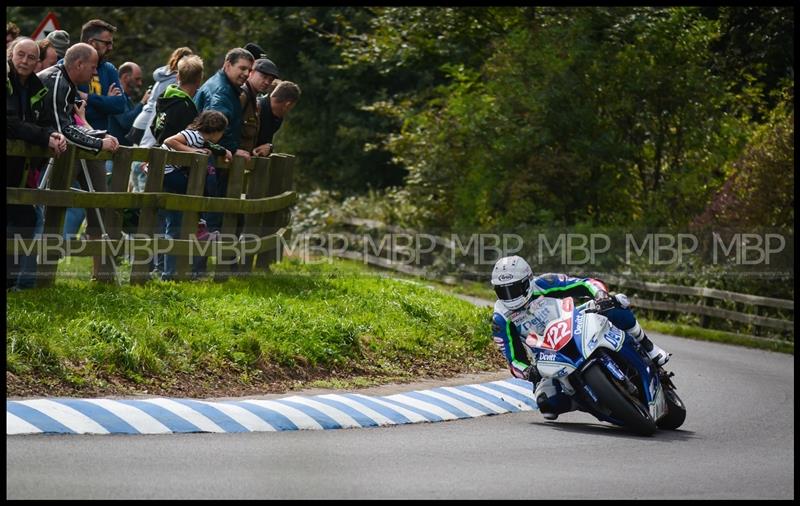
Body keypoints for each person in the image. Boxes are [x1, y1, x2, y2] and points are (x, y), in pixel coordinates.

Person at [489, 255, 670, 420]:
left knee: (616, 304)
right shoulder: (500, 318)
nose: (510, 297)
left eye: (514, 289)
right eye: (503, 291)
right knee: (548, 405)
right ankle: (586, 401)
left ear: (528, 281)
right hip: (547, 354)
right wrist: (529, 371)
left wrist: (600, 295)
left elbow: (586, 283)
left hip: (575, 324)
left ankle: (649, 348)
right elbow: (513, 360)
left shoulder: (544, 283)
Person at [38, 42, 120, 281]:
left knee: (97, 199)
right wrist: (97, 143)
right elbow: (61, 128)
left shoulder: (68, 83)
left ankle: (101, 274)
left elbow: (72, 123)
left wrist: (98, 134)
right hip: (47, 154)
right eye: (92, 67)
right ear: (79, 64)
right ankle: (40, 274)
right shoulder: (56, 82)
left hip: (66, 148)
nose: (95, 73)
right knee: (48, 207)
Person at [6, 37, 67, 289]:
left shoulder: (35, 86)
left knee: (25, 221)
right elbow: (10, 123)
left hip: (21, 170)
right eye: (21, 54)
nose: (25, 61)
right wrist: (44, 136)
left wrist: (53, 134)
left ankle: (10, 283)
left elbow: (41, 120)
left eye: (32, 57)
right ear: (11, 54)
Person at [158, 110, 231, 281]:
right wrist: (191, 151)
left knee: (180, 217)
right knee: (195, 195)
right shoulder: (194, 136)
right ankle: (200, 224)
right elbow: (169, 141)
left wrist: (223, 151)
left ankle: (199, 223)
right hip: (166, 174)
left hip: (168, 174)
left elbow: (212, 147)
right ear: (215, 131)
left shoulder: (201, 138)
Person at [128, 46, 193, 147]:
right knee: (141, 159)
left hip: (140, 122)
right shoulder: (174, 80)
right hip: (147, 125)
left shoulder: (164, 75)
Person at [238, 58, 279, 155]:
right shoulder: (242, 96)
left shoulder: (255, 102)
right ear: (251, 73)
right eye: (264, 76)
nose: (267, 82)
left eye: (270, 80)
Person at [252, 80, 301, 157]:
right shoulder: (255, 108)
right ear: (287, 104)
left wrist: (269, 147)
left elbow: (266, 143)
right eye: (291, 107)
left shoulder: (277, 117)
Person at [107, 61, 150, 147]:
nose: (140, 83)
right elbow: (126, 122)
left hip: (121, 152)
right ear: (126, 77)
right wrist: (142, 102)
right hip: (114, 153)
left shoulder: (126, 98)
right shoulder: (116, 94)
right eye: (137, 79)